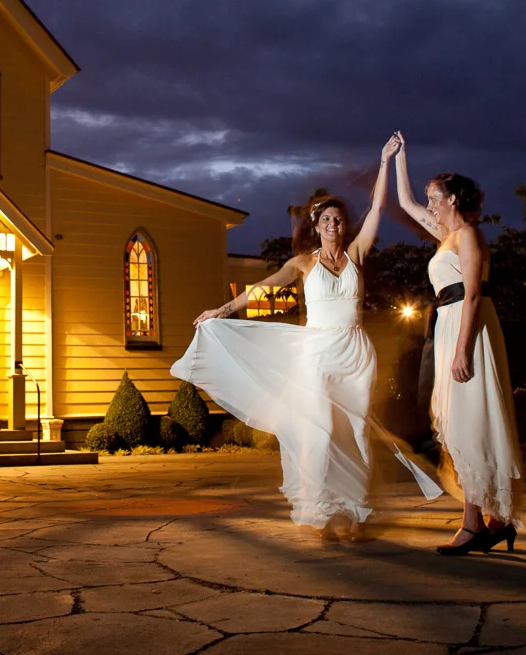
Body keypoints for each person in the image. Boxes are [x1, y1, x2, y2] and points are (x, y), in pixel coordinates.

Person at [173, 135, 441, 542]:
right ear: (315, 227)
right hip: (317, 353)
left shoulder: (357, 254)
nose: (335, 225)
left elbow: (377, 210)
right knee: (319, 432)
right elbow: (262, 288)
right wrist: (221, 310)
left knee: (354, 430)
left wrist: (385, 161)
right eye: (327, 220)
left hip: (354, 353)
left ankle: (357, 513)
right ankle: (320, 511)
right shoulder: (301, 263)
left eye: (339, 220)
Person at [391, 132, 525, 554]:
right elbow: (406, 202)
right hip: (447, 327)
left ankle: (475, 524)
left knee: (470, 423)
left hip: (468, 329)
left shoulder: (468, 235)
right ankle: (495, 521)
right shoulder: (444, 236)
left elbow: (471, 294)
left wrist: (463, 349)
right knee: (454, 424)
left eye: (435, 197)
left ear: (453, 199)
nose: (429, 204)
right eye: (430, 197)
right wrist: (397, 157)